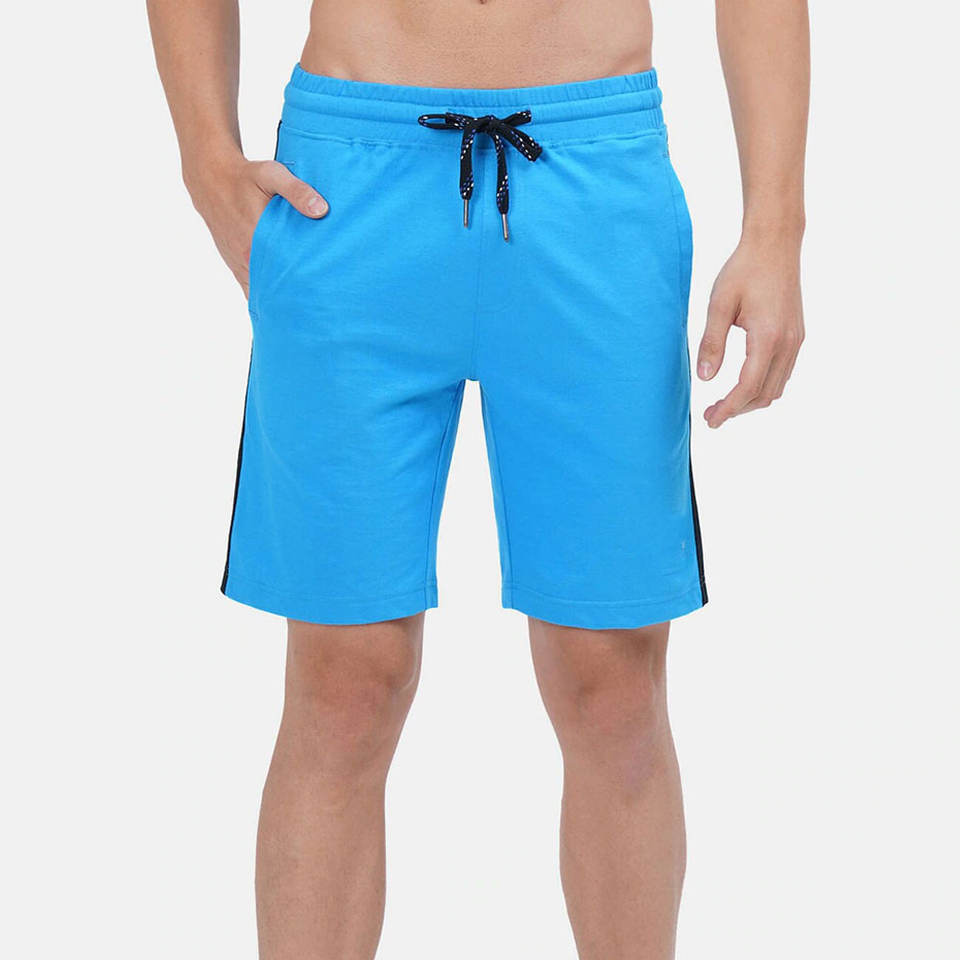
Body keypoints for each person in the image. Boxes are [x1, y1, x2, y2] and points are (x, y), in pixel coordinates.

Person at [147, 0, 807, 956]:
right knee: (343, 681)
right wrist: (205, 156)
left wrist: (777, 226)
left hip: (593, 179)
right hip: (347, 187)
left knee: (612, 682)